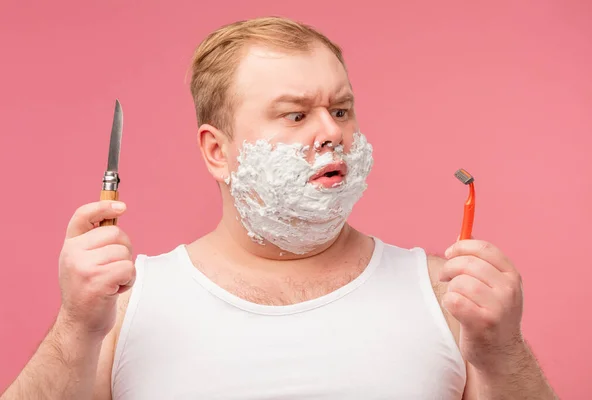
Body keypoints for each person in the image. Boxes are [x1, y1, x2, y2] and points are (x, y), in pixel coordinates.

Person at [1, 16, 558, 400]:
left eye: (341, 110)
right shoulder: (122, 308)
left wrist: (502, 350)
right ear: (218, 152)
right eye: (295, 115)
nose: (330, 133)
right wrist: (75, 328)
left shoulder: (449, 297)